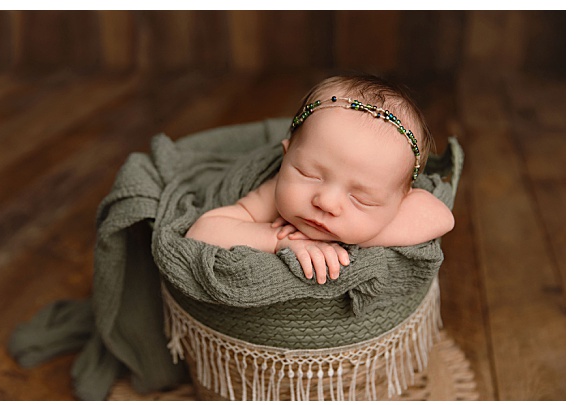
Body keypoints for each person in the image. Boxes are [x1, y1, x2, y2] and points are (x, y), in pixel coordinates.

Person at [185, 74, 455, 285]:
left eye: (361, 198)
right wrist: (277, 239)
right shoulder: (270, 196)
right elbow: (203, 230)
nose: (326, 202)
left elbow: (441, 218)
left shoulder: (399, 202)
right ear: (286, 155)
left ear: (400, 199)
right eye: (309, 175)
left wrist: (348, 238)